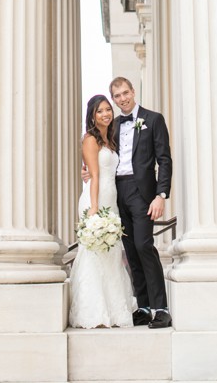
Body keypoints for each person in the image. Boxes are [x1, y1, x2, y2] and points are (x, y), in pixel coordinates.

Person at [108, 77, 174, 329]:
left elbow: (164, 160)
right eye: (117, 96)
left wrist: (161, 195)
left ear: (133, 91)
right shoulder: (113, 126)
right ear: (113, 99)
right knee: (131, 250)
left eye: (126, 93)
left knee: (144, 245)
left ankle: (161, 308)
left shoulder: (153, 119)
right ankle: (144, 307)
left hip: (142, 192)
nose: (123, 98)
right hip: (117, 191)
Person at [69, 95, 136, 328]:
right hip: (96, 198)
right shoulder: (89, 139)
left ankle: (114, 308)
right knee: (94, 254)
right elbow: (95, 175)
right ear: (92, 115)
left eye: (108, 109)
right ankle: (93, 311)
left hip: (112, 199)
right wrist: (95, 209)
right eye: (100, 111)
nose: (106, 114)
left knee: (112, 253)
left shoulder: (110, 139)